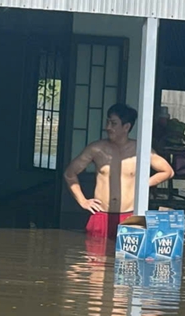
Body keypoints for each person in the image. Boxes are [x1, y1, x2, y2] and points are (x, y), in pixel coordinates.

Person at [64, 103, 174, 242]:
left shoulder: (140, 149)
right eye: (108, 122)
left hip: (130, 215)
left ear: (126, 127)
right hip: (101, 214)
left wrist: (143, 184)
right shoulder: (96, 149)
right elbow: (70, 173)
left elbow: (167, 171)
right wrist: (83, 201)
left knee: (127, 261)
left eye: (113, 123)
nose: (108, 127)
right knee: (93, 260)